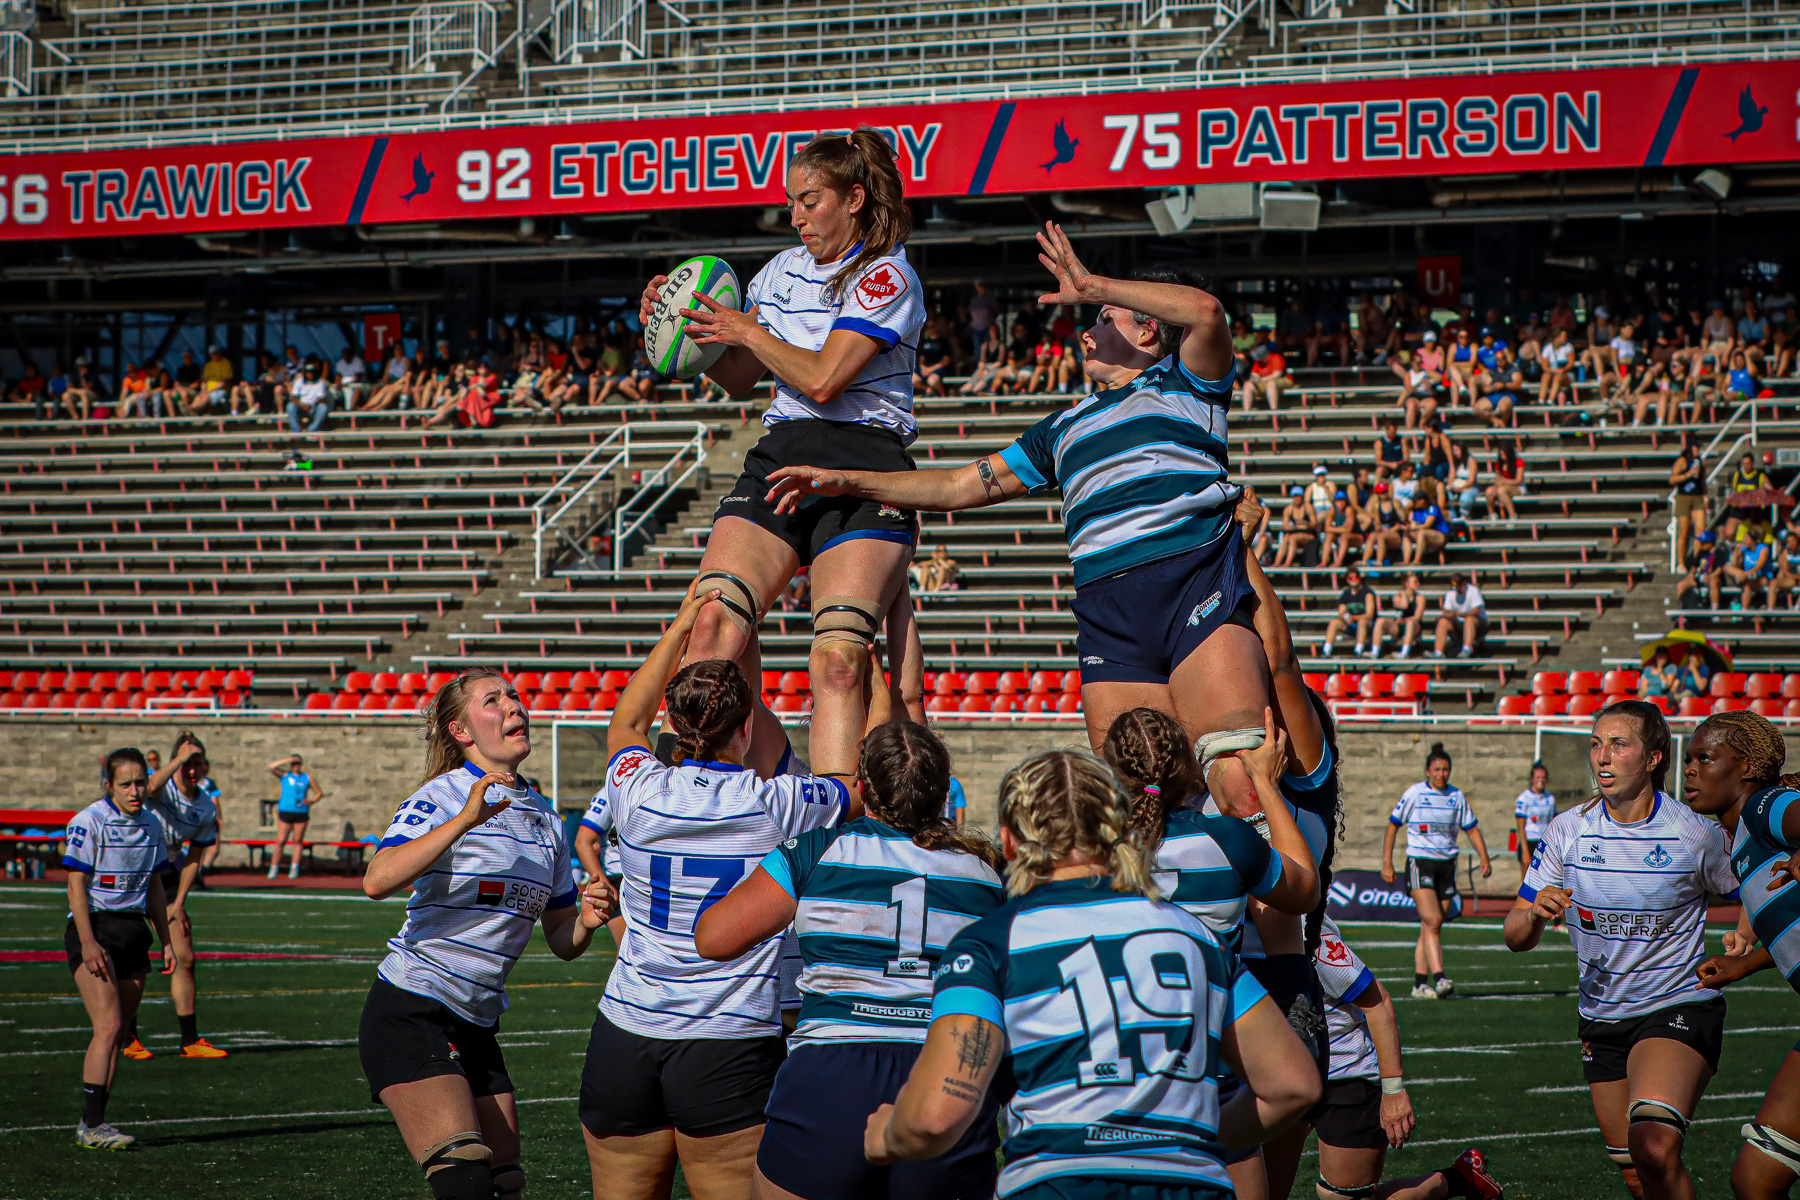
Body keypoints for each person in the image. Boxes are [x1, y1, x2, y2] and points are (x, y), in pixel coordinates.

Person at [766, 222, 1268, 756]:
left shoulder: (1191, 386)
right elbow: (959, 486)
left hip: (1190, 580)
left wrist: (1095, 284)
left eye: (1102, 319)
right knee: (1136, 792)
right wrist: (848, 481)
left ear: (1148, 333)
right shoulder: (1059, 428)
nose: (1085, 332)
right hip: (1107, 609)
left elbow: (1206, 312)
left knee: (1236, 777)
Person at [863, 747, 1322, 1198]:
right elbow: (1292, 1085)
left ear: (1009, 841)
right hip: (1189, 1182)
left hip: (1059, 1179)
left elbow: (935, 1116)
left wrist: (887, 1135)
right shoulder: (1197, 937)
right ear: (1119, 831)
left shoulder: (990, 943)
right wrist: (1194, 1138)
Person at [636, 130, 923, 782]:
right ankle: (699, 795)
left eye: (810, 200)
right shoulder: (777, 271)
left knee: (839, 661)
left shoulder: (887, 273)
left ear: (854, 198)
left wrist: (745, 328)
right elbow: (740, 377)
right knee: (710, 631)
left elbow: (825, 380)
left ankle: (833, 820)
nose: (796, 216)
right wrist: (681, 332)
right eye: (791, 202)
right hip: (782, 450)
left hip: (866, 462)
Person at [580, 589, 856, 1200]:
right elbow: (847, 788)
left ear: (675, 726)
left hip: (626, 1028)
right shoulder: (773, 802)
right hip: (727, 1036)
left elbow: (625, 722)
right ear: (748, 727)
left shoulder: (639, 788)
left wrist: (682, 626)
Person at [692, 721, 1006, 1200]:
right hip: (945, 1070)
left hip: (832, 1068)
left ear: (862, 788)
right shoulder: (988, 874)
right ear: (944, 793)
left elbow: (713, 938)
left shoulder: (817, 852)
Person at [359, 670, 607, 1200]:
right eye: (493, 700)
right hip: (413, 1006)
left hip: (476, 1020)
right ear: (462, 731)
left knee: (506, 1180)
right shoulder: (445, 795)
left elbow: (561, 939)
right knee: (465, 1171)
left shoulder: (546, 818)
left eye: (514, 695)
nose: (513, 705)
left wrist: (586, 918)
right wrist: (465, 820)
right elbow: (377, 879)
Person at [1505, 701, 1734, 1200]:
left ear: (1654, 758)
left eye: (1618, 744)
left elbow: (1756, 890)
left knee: (1653, 1147)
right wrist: (1533, 914)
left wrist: (1747, 938)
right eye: (1595, 744)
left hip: (1677, 1004)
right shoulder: (1567, 829)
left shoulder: (1693, 831)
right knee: (1636, 1173)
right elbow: (1513, 936)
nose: (1602, 758)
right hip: (1601, 1016)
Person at [1685, 711, 1800, 1200]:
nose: (1689, 770)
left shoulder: (1764, 806)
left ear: (1747, 767)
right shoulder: (1743, 846)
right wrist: (1745, 964)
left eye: (1704, 758)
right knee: (1756, 1178)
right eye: (1688, 760)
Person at [1310, 916, 1505, 1200]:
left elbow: (1378, 1003)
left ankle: (1461, 1178)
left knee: (1343, 1197)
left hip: (1344, 1072)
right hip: (1284, 1072)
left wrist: (1393, 1091)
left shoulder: (1303, 928)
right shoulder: (1234, 921)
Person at [62, 747, 177, 1150]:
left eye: (141, 782)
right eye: (125, 783)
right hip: (95, 928)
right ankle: (93, 1126)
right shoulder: (89, 821)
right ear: (108, 785)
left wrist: (166, 940)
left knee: (119, 1031)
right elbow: (76, 883)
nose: (135, 790)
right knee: (108, 1026)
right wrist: (88, 940)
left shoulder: (151, 823)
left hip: (132, 930)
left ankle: (91, 1122)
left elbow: (157, 889)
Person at [133, 735, 228, 1061]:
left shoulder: (204, 806)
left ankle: (189, 1040)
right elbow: (149, 788)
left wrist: (178, 903)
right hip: (133, 873)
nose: (192, 769)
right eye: (186, 762)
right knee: (132, 955)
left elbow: (194, 858)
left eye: (197, 763)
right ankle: (128, 1035)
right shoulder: (160, 787)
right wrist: (177, 759)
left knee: (184, 956)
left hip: (167, 877)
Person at [1383, 743, 1491, 999]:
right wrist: (1387, 862)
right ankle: (1440, 978)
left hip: (1447, 865)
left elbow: (1471, 828)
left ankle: (1420, 984)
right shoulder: (1415, 794)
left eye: (1445, 769)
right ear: (1428, 771)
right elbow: (1392, 825)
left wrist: (1483, 856)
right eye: (1437, 769)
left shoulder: (1456, 796)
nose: (1442, 773)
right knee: (1433, 921)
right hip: (1420, 861)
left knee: (1431, 925)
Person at [267, 754, 321, 880]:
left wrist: (311, 801)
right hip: (286, 810)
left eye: (297, 763)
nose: (295, 766)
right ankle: (274, 867)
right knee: (281, 840)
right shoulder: (286, 776)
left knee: (297, 840)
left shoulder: (306, 777)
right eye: (293, 764)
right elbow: (271, 767)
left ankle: (294, 868)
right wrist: (288, 760)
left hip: (301, 811)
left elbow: (319, 792)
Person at [1323, 566, 1380, 657]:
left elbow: (1370, 614)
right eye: (1350, 578)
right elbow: (1341, 612)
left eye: (1356, 577)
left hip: (1367, 626)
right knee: (1334, 622)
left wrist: (1354, 618)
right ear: (1347, 580)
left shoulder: (1367, 593)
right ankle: (1326, 651)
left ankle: (1358, 650)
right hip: (1352, 625)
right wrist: (1346, 617)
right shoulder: (1346, 594)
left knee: (1362, 622)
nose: (1353, 580)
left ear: (1359, 578)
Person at [1514, 761, 1556, 870]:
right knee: (1527, 880)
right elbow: (1520, 826)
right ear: (1532, 778)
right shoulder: (1524, 798)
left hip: (1544, 842)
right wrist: (1525, 851)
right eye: (1538, 777)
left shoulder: (1550, 799)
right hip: (1529, 842)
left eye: (1543, 777)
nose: (1540, 780)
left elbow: (1552, 823)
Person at [1374, 572, 1428, 658]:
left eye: (1418, 581)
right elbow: (1404, 605)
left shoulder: (1420, 598)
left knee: (1410, 622)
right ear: (1407, 583)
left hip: (1414, 626)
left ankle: (1404, 653)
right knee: (1380, 621)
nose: (1418, 583)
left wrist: (1404, 620)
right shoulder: (1397, 597)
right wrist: (1404, 595)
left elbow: (1417, 617)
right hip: (1399, 626)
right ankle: (1375, 652)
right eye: (1415, 581)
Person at [1435, 572, 1487, 658]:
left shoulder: (1473, 591)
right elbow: (1446, 612)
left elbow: (1476, 611)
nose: (1457, 588)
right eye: (1455, 586)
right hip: (1459, 624)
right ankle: (1438, 653)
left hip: (1478, 624)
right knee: (1443, 622)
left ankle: (1466, 650)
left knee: (1469, 619)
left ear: (1464, 583)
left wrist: (1457, 614)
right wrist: (1448, 614)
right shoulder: (1451, 593)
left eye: (1459, 585)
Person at [1402, 489, 1450, 568]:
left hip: (1441, 535)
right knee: (1406, 533)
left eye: (1415, 501)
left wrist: (1414, 527)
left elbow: (1428, 525)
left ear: (1422, 501)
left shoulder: (1433, 508)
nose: (1413, 503)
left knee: (1422, 532)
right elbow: (1412, 523)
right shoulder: (1416, 511)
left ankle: (1417, 560)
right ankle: (1406, 560)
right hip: (1426, 535)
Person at [1485, 443, 1526, 524]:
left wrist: (1507, 482)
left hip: (1517, 487)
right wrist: (1500, 482)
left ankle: (1512, 515)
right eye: (1501, 454)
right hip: (1503, 486)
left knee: (1501, 491)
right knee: (1489, 491)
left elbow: (1519, 480)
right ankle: (1492, 514)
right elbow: (1498, 479)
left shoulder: (1518, 462)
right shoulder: (1499, 464)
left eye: (1504, 454)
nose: (1502, 456)